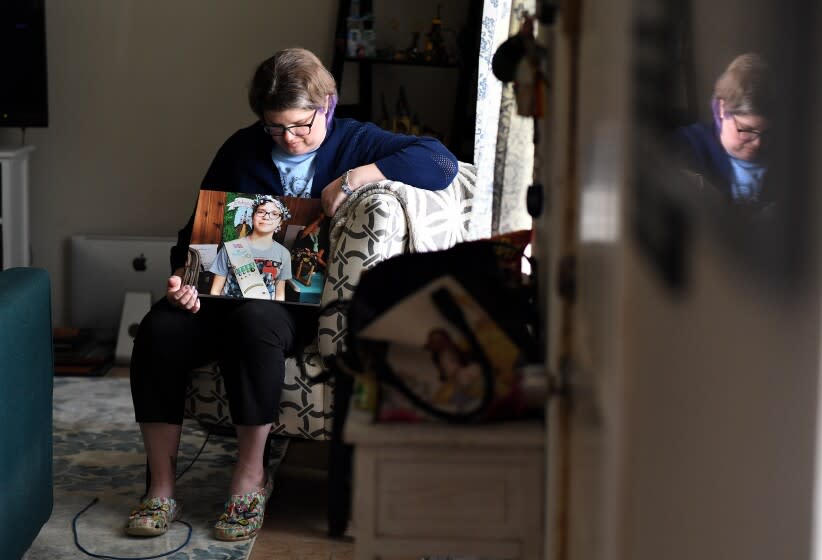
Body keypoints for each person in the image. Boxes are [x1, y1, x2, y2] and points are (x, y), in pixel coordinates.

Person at [126, 47, 458, 541]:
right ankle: (160, 488)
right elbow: (195, 232)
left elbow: (439, 162)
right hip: (219, 293)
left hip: (291, 307)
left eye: (302, 126)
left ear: (328, 105)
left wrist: (357, 176)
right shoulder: (241, 148)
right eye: (276, 128)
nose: (289, 138)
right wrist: (183, 277)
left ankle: (250, 477)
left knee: (255, 324)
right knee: (158, 330)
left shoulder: (355, 140)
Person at [674, 53, 773, 209]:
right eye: (747, 129)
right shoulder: (685, 146)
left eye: (767, 132)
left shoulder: (787, 156)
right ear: (722, 109)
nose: (758, 143)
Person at [209, 195, 292, 301]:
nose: (266, 217)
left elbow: (280, 295)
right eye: (261, 211)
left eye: (274, 213)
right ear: (253, 216)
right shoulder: (229, 248)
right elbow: (215, 291)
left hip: (265, 313)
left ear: (280, 221)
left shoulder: (284, 254)